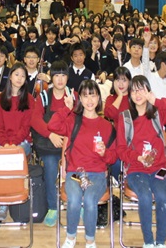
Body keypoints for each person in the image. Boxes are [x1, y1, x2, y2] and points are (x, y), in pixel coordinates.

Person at [48, 79, 117, 248]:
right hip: (75, 173)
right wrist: (67, 108)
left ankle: (90, 241)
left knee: (90, 200)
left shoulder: (107, 126)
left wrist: (104, 153)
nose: (89, 100)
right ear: (80, 99)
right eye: (85, 96)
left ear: (99, 98)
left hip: (97, 174)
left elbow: (113, 158)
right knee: (74, 199)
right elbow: (52, 125)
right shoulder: (73, 120)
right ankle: (70, 237)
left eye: (93, 95)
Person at [116, 75, 166, 248]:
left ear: (148, 91)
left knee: (162, 197)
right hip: (136, 169)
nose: (137, 94)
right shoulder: (125, 118)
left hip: (159, 168)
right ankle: (148, 241)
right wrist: (137, 157)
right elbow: (121, 149)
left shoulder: (158, 114)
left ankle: (160, 242)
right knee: (145, 197)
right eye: (133, 90)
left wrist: (156, 101)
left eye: (141, 90)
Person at [30, 61, 75, 227]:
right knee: (49, 166)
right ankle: (52, 207)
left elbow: (79, 120)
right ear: (51, 78)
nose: (60, 79)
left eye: (63, 75)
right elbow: (35, 120)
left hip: (69, 144)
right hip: (48, 143)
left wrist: (66, 139)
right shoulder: (43, 96)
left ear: (68, 78)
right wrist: (51, 135)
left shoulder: (73, 95)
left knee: (74, 168)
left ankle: (76, 203)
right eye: (57, 75)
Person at [0, 62, 36, 220]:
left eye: (23, 76)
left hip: (22, 142)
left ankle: (5, 203)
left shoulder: (29, 99)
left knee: (11, 157)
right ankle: (4, 200)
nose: (19, 78)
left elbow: (25, 128)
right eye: (16, 74)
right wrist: (5, 144)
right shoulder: (0, 99)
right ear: (10, 76)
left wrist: (12, 145)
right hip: (3, 142)